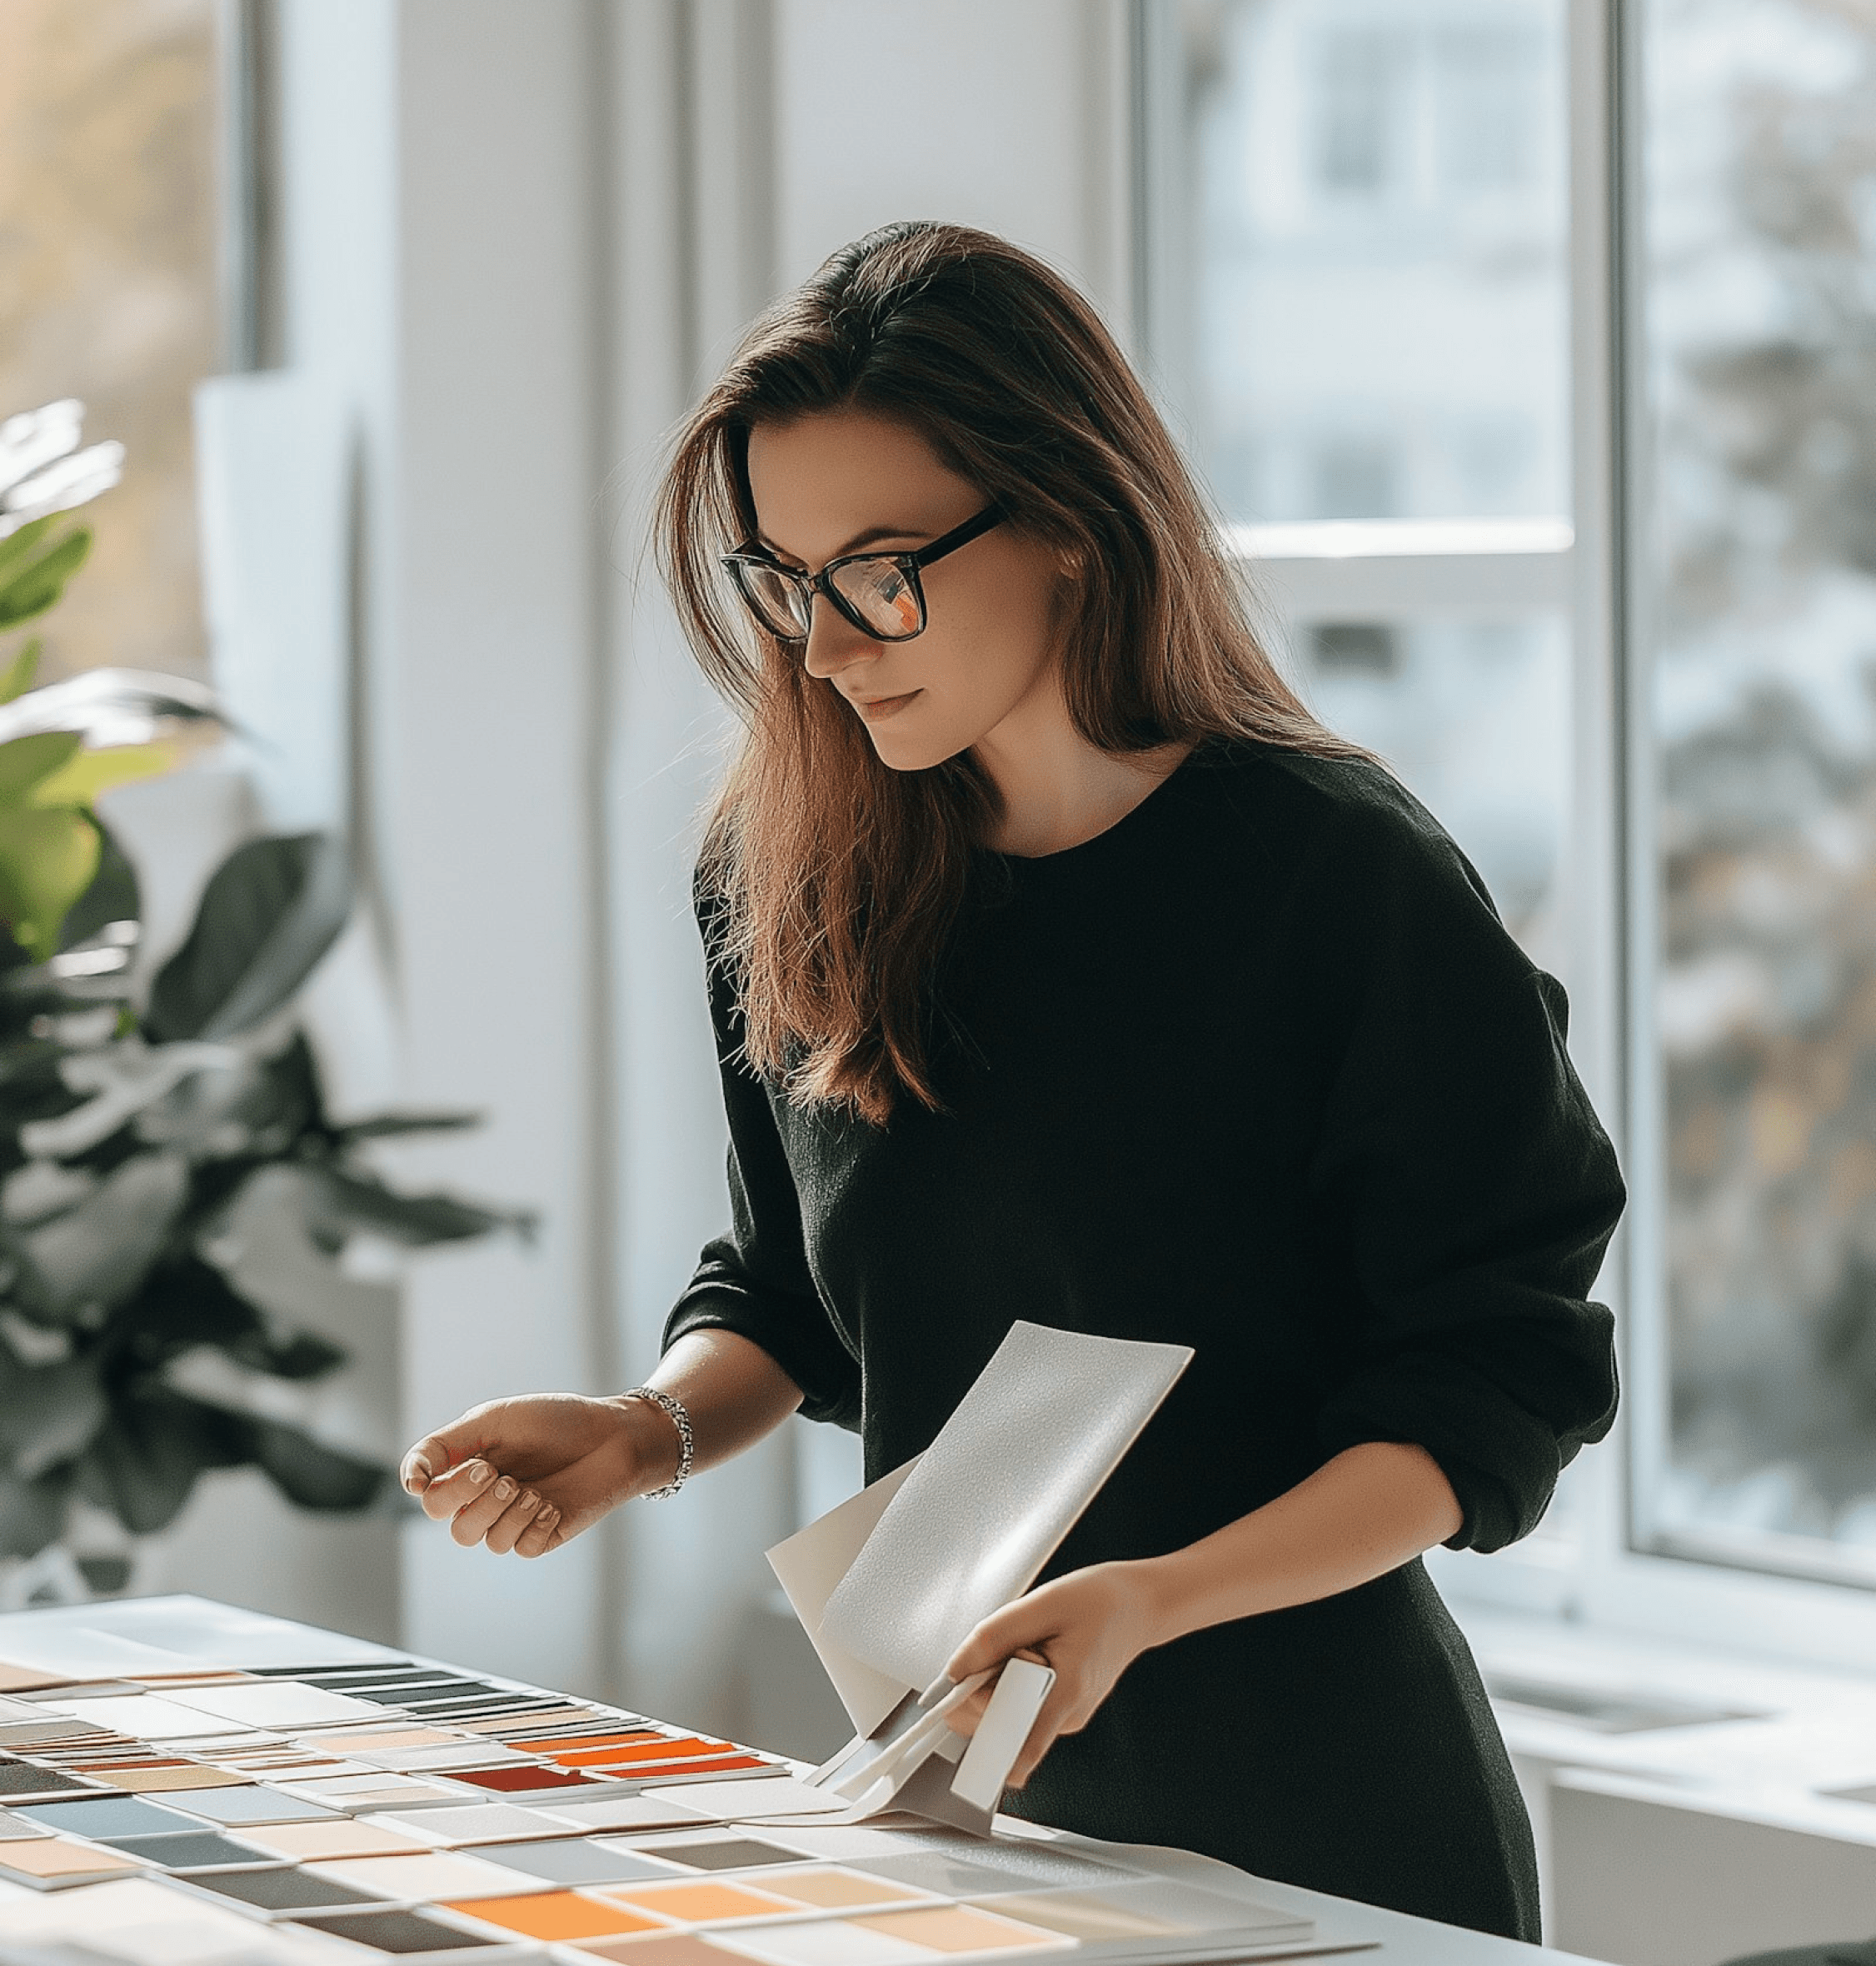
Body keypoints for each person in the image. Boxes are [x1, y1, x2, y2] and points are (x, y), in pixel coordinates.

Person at [400, 220, 1624, 1944]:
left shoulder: (1335, 881)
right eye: (784, 578)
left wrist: (1155, 1598)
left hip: (1317, 1812)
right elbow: (797, 1289)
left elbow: (1491, 1379)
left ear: (1063, 517)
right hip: (963, 1810)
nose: (826, 646)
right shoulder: (786, 868)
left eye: (882, 568)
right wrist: (642, 1426)